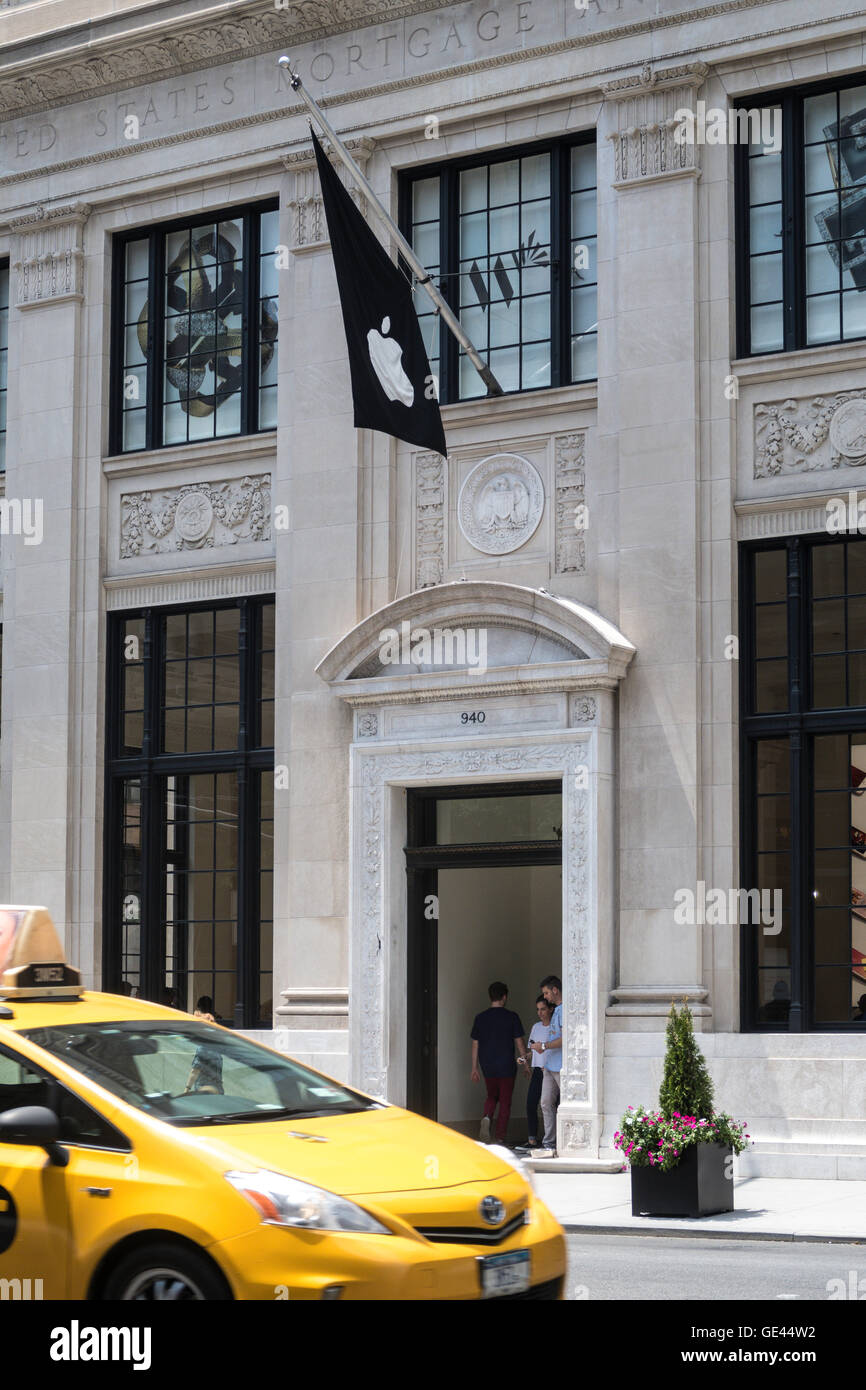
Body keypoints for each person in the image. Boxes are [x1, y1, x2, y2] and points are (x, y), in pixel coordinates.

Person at [470, 981, 529, 1146]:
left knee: (491, 1096)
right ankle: (500, 1138)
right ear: (504, 997)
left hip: (487, 1065)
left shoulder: (480, 1018)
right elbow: (519, 1043)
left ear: (490, 997)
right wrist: (525, 1065)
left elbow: (475, 1044)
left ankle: (487, 1116)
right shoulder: (512, 1017)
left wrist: (474, 1068)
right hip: (506, 1066)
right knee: (505, 1101)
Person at [515, 995, 552, 1154]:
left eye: (543, 1009)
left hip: (550, 1070)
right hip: (538, 1069)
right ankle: (532, 1140)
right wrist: (525, 1058)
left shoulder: (556, 1027)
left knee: (549, 1105)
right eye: (538, 1009)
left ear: (550, 1009)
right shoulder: (536, 1027)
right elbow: (534, 1049)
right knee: (531, 1103)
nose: (540, 1013)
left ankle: (551, 1141)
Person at [530, 974, 562, 1158]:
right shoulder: (557, 1010)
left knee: (565, 1104)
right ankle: (549, 1143)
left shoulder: (564, 1010)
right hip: (549, 1065)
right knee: (545, 1103)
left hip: (561, 1065)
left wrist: (544, 1046)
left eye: (546, 993)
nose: (546, 996)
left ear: (555, 990)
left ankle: (561, 1142)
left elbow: (565, 1039)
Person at [185, 995, 224, 1094]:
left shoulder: (203, 1047)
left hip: (203, 1093)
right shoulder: (217, 1045)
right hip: (218, 1090)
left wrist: (187, 1089)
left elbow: (195, 1071)